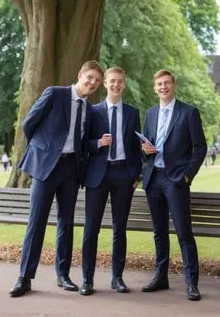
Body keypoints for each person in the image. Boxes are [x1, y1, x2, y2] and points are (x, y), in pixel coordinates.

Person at [9, 61, 104, 297]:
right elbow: (28, 124)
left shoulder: (88, 109)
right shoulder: (54, 93)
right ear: (80, 74)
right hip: (45, 168)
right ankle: (24, 278)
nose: (92, 83)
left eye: (97, 81)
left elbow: (83, 142)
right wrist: (44, 150)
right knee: (37, 221)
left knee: (66, 222)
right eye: (89, 77)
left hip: (71, 169)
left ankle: (63, 275)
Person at [141, 69, 207, 301]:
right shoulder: (150, 113)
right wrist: (145, 150)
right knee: (159, 233)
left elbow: (200, 148)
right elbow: (146, 144)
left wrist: (187, 175)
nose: (163, 87)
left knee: (184, 233)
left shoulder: (189, 113)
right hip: (153, 178)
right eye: (159, 84)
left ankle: (191, 283)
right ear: (155, 87)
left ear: (174, 85)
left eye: (166, 83)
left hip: (176, 180)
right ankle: (161, 277)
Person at [79, 66, 142, 296]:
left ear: (124, 85)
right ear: (105, 83)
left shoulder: (133, 113)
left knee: (119, 229)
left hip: (123, 176)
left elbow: (137, 148)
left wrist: (136, 175)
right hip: (98, 175)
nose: (116, 85)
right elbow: (82, 144)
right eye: (112, 81)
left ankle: (117, 278)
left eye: (119, 82)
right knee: (91, 229)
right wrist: (98, 143)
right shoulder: (92, 111)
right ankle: (87, 279)